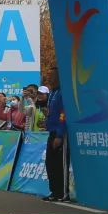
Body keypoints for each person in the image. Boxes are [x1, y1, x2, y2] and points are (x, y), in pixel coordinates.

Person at [43, 67, 69, 202]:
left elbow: (63, 114)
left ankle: (63, 193)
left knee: (60, 164)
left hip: (60, 133)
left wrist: (59, 135)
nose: (48, 77)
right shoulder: (52, 92)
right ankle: (54, 191)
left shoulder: (62, 92)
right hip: (51, 131)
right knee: (50, 163)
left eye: (51, 75)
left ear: (58, 76)